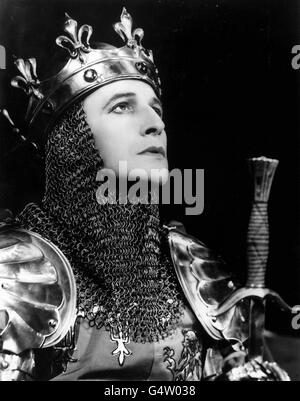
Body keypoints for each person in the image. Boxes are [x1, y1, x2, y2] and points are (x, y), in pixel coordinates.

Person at [0, 8, 289, 381]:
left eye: (156, 110)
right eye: (122, 107)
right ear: (69, 144)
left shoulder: (193, 269)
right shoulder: (15, 275)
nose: (156, 125)